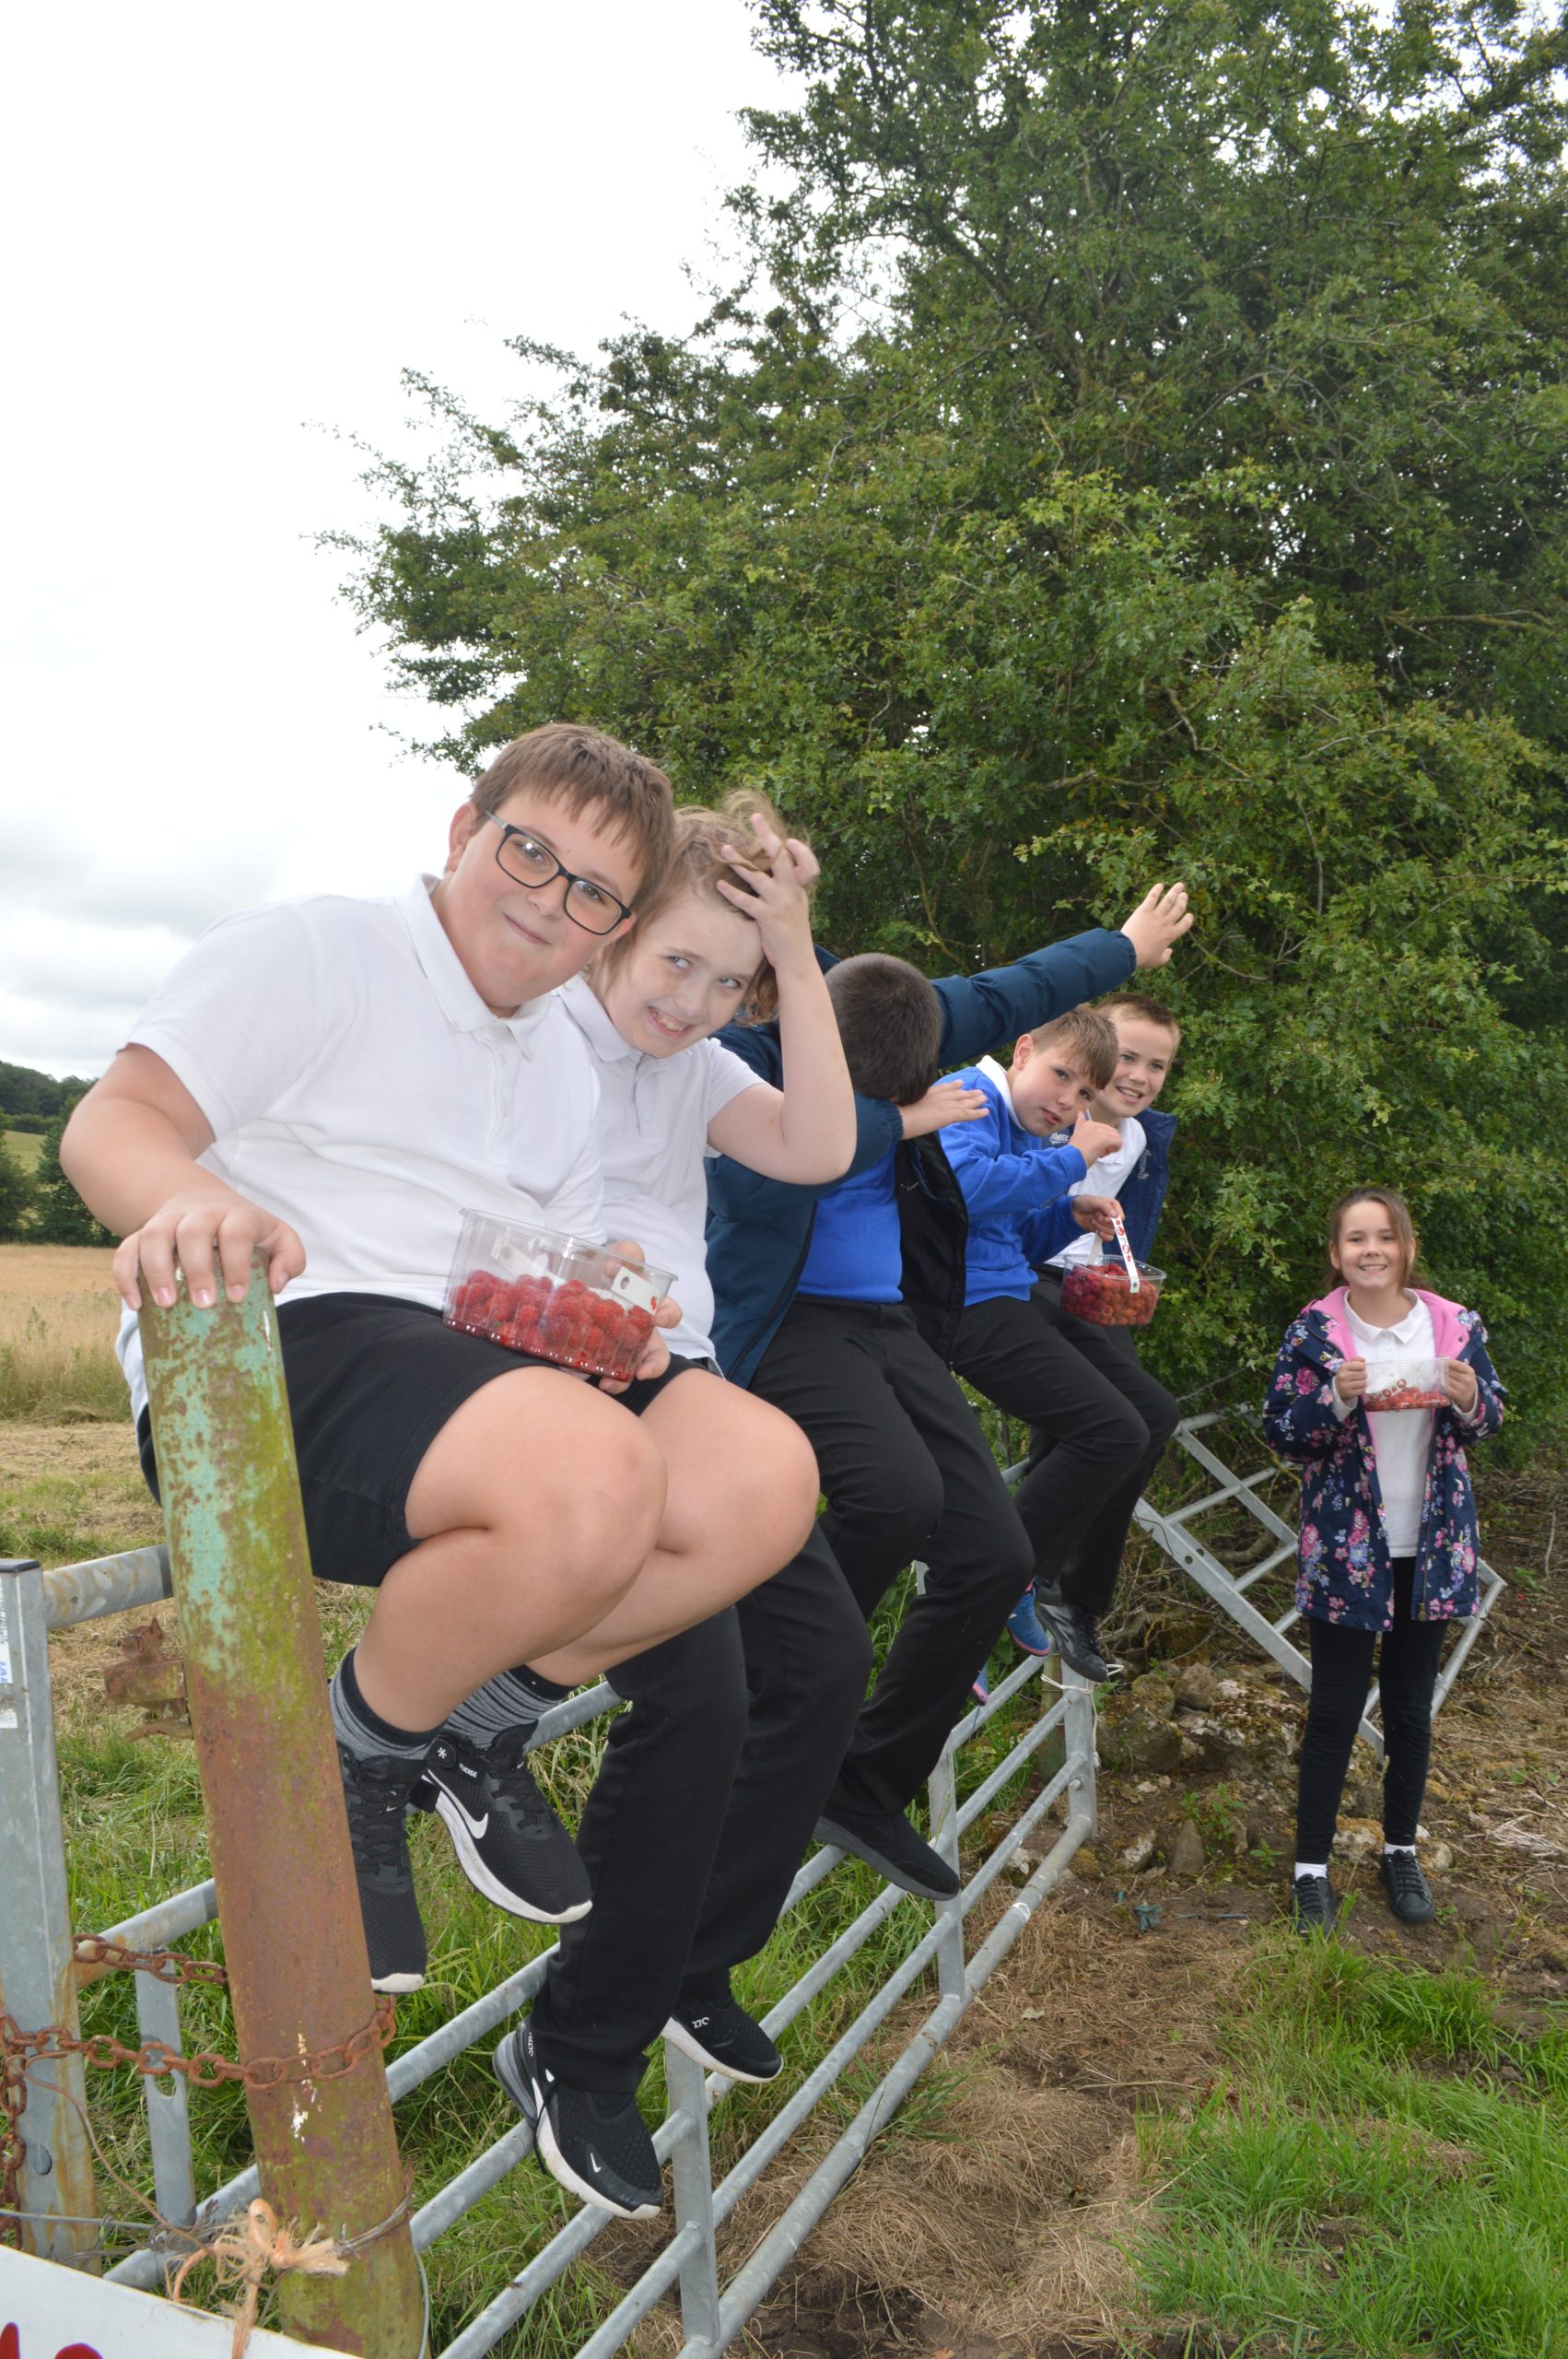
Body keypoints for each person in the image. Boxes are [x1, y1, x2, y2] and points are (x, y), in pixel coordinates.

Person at [61, 724, 822, 2036]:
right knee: (597, 1472)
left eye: (591, 893)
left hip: (474, 1350)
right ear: (463, 831)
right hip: (279, 1336)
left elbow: (564, 1242)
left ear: (610, 927)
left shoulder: (552, 1058)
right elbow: (112, 1122)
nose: (547, 901)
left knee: (763, 1479)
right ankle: (359, 1754)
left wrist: (607, 1312)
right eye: (529, 851)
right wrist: (194, 1209)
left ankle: (474, 1716)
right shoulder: (316, 948)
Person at [484, 794, 871, 2218]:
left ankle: (686, 1962)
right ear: (616, 931)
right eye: (675, 966)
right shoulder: (538, 1039)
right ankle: (579, 2047)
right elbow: (482, 1238)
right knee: (700, 1696)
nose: (696, 1001)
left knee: (823, 1663)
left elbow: (822, 1145)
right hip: (566, 1392)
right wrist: (589, 1305)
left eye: (729, 981)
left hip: (674, 1389)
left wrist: (797, 952)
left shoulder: (697, 1061)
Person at [706, 887, 1194, 1901]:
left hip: (892, 1318)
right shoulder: (734, 1056)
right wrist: (901, 1120)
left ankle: (867, 1778)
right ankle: (769, 1693)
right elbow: (778, 1170)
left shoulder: (884, 1010)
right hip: (796, 1317)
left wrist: (1123, 948)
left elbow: (1012, 991)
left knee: (996, 1548)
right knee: (893, 1497)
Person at [1262, 1187, 1504, 1934]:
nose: (1372, 1250)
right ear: (1336, 1254)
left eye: (1385, 1237)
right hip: (1347, 1550)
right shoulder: (1314, 1333)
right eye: (1356, 1239)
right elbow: (1281, 1430)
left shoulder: (1453, 1327)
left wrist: (1468, 1398)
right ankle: (1311, 1871)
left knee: (1409, 1709)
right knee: (1333, 1709)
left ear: (1405, 1248)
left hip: (1430, 1549)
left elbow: (1490, 1418)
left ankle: (1401, 1850)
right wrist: (1333, 1396)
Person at [951, 993, 1183, 1690]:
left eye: (1156, 1065)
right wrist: (1070, 1163)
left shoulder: (1141, 1140)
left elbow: (1060, 1230)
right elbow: (986, 1201)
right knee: (1109, 1424)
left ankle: (1055, 1587)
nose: (1136, 1076)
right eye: (1126, 1058)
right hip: (1014, 1290)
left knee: (1145, 1416)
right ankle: (1011, 1577)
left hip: (1066, 1288)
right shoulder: (1022, 1111)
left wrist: (1117, 1263)